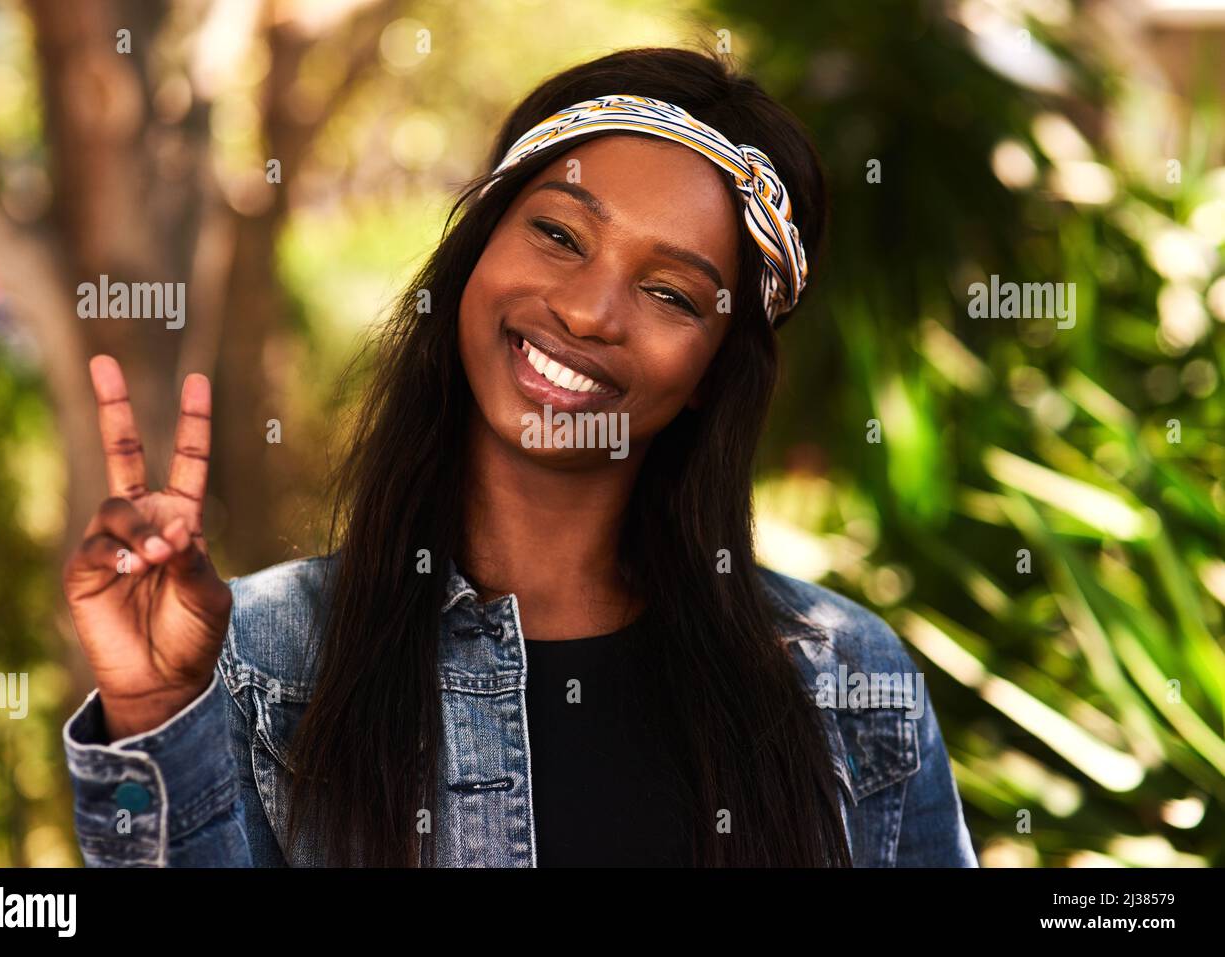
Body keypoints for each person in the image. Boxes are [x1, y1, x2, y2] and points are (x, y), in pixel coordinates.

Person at [61, 46, 977, 867]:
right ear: (474, 249)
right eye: (558, 234)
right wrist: (154, 716)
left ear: (712, 371)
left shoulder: (848, 679)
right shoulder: (258, 657)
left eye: (670, 292)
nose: (588, 311)